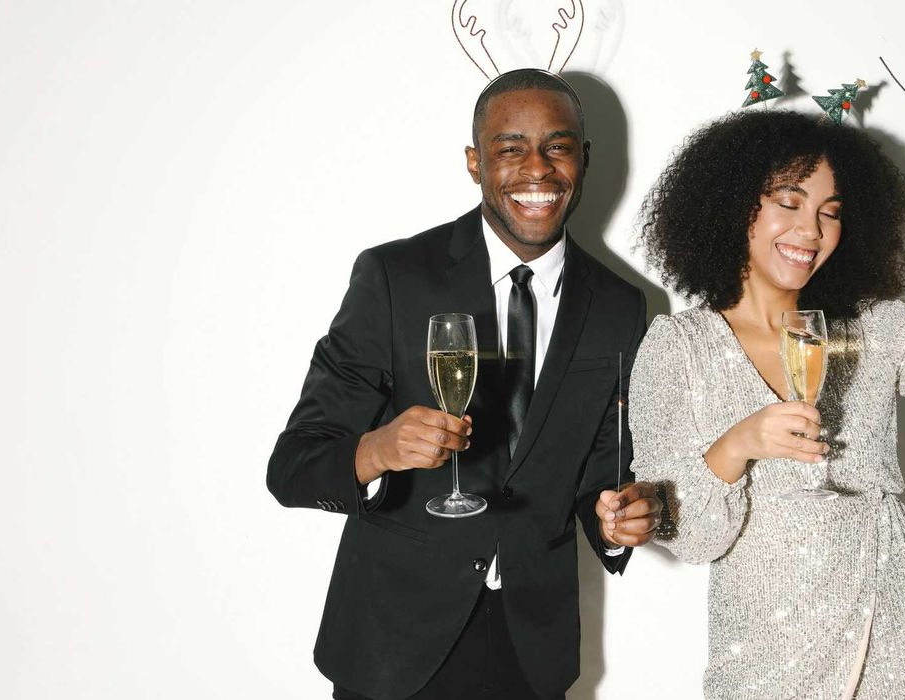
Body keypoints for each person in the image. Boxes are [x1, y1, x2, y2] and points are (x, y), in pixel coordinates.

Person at [267, 69, 662, 700]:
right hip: (393, 649)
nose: (537, 168)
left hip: (532, 651)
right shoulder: (395, 278)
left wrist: (615, 518)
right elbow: (293, 466)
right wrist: (378, 450)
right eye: (510, 148)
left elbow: (599, 473)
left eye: (557, 147)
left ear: (583, 160)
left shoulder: (621, 307)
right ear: (475, 163)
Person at [629, 110, 905, 698]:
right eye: (789, 202)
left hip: (892, 624)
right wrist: (740, 443)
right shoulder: (679, 348)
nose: (811, 230)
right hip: (767, 651)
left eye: (830, 212)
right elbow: (693, 535)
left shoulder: (866, 328)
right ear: (731, 203)